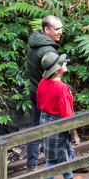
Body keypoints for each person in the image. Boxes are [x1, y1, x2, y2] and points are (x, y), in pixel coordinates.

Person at [36, 49, 84, 179]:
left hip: (45, 118)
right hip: (58, 122)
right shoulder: (61, 88)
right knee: (53, 158)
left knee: (62, 150)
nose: (65, 62)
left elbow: (39, 104)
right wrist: (74, 133)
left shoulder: (42, 82)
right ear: (57, 70)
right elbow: (68, 115)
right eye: (62, 62)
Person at [25, 14, 63, 169]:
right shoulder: (48, 52)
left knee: (36, 127)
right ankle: (70, 162)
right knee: (61, 126)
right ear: (46, 30)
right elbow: (56, 76)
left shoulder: (34, 40)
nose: (60, 32)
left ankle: (31, 164)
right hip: (48, 95)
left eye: (61, 28)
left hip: (35, 90)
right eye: (57, 29)